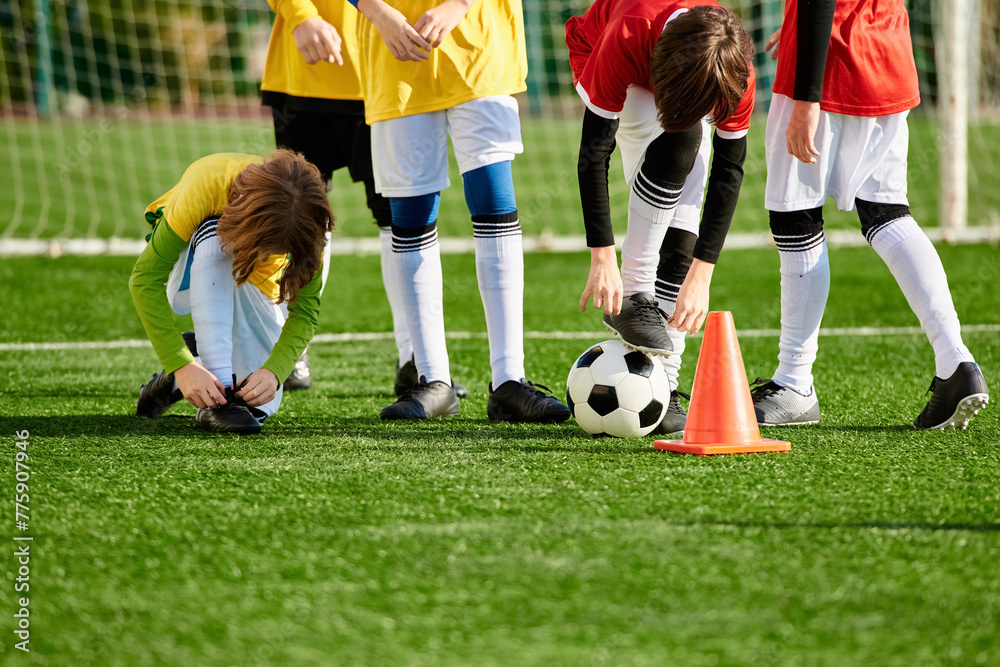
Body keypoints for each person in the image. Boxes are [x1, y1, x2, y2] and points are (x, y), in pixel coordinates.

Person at [750, 0, 989, 429]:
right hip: (885, 54)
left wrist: (806, 96)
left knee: (796, 219)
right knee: (887, 213)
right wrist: (797, 29)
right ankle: (957, 363)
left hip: (831, 71)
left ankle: (794, 382)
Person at [349, 0, 570, 422]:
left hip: (480, 49)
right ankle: (434, 381)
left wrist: (459, 5)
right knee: (410, 215)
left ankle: (509, 380)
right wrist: (381, 14)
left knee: (494, 202)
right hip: (396, 57)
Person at [565, 0, 756, 434]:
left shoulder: (734, 71)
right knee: (685, 133)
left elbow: (730, 171)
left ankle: (665, 388)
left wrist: (702, 274)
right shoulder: (629, 33)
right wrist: (603, 260)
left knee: (689, 196)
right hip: (598, 52)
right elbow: (594, 153)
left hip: (676, 74)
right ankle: (634, 296)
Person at [260, 0, 466, 398]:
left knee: (400, 218)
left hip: (386, 73)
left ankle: (416, 360)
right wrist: (301, 16)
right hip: (305, 68)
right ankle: (286, 351)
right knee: (295, 216)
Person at [131, 150, 334, 434]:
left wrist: (274, 372)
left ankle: (181, 377)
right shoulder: (208, 182)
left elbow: (305, 313)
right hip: (196, 266)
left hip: (263, 288)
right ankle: (217, 395)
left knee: (259, 403)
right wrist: (179, 363)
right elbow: (144, 279)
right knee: (214, 233)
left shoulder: (311, 222)